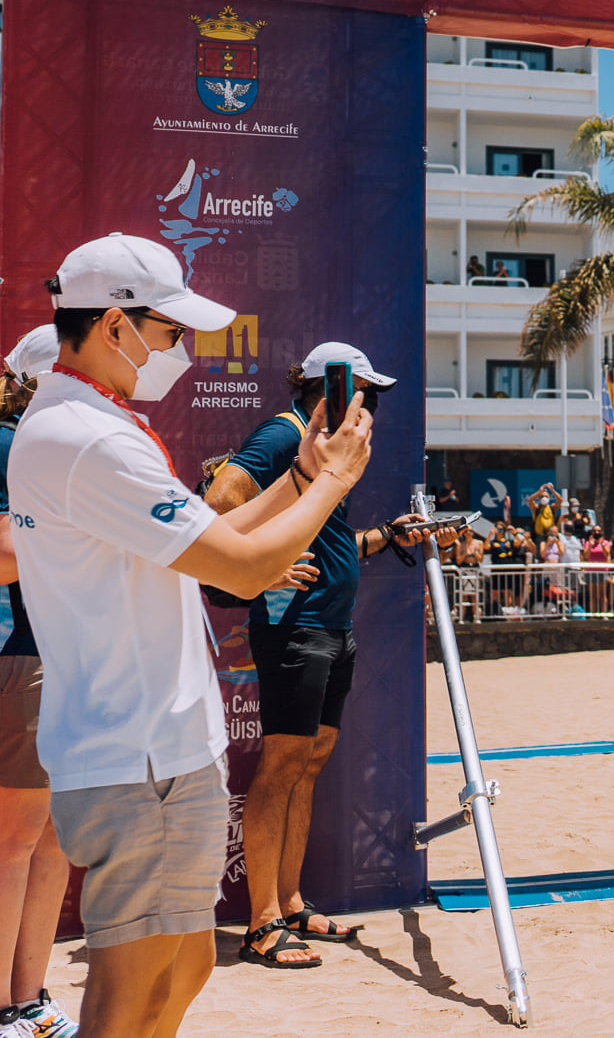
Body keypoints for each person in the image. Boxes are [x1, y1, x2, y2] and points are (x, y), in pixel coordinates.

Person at [11, 235, 373, 1033]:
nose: (183, 349)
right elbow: (243, 568)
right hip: (139, 758)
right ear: (114, 325)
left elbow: (208, 536)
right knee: (130, 992)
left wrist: (302, 476)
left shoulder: (83, 422)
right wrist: (334, 478)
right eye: (171, 331)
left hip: (154, 750)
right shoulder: (91, 437)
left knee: (186, 964)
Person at [203, 342, 425, 967]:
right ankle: (261, 923)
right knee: (282, 767)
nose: (370, 409)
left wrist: (387, 536)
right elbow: (217, 507)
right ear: (332, 390)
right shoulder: (285, 433)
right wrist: (260, 571)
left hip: (331, 625)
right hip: (293, 627)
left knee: (308, 763)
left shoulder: (327, 450)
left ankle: (292, 902)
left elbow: (328, 542)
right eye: (365, 394)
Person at [0, 326, 77, 1038]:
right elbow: (3, 555)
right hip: (26, 655)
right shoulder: (7, 445)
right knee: (17, 841)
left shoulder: (69, 454)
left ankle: (30, 999)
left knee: (54, 839)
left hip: (74, 657)